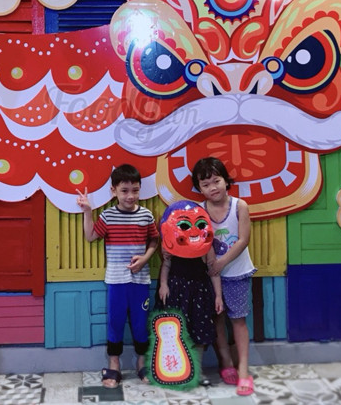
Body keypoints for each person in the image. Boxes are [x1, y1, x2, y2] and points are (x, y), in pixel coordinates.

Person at [77, 163, 159, 389]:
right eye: (124, 191)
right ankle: (114, 363)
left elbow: (154, 240)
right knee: (115, 322)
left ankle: (142, 361)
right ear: (113, 191)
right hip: (115, 280)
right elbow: (91, 236)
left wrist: (145, 258)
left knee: (140, 323)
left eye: (135, 190)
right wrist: (87, 211)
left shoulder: (146, 215)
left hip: (140, 281)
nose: (130, 196)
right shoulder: (108, 215)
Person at [192, 157, 256, 397]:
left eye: (216, 181)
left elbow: (243, 240)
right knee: (217, 319)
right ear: (199, 188)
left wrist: (221, 262)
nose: (213, 187)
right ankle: (226, 363)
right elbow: (202, 242)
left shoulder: (240, 206)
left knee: (238, 320)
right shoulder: (199, 211)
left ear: (226, 181)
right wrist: (213, 266)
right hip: (212, 276)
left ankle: (243, 370)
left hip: (237, 273)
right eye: (206, 184)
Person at [156, 201, 224, 371]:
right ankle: (178, 370)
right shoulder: (171, 245)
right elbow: (166, 265)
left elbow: (213, 271)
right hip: (176, 291)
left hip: (199, 292)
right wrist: (163, 285)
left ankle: (196, 370)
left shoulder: (206, 246)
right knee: (176, 332)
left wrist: (218, 296)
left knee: (199, 331)